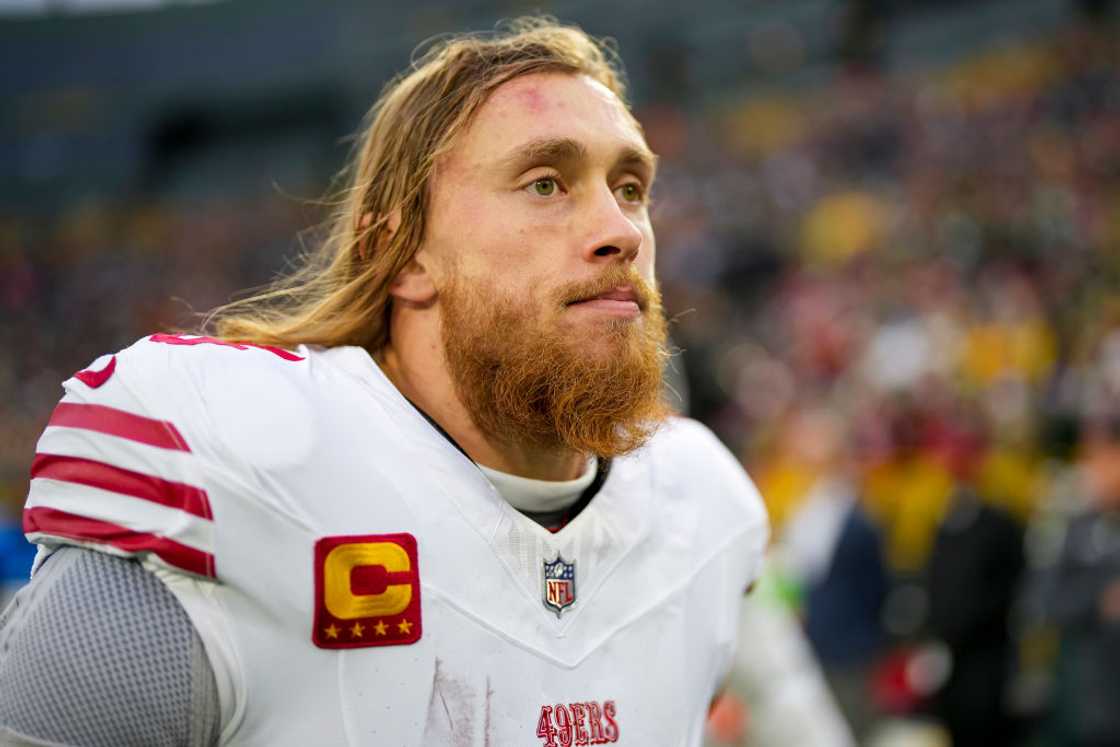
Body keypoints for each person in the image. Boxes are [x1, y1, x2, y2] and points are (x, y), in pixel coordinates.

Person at [0, 17, 769, 746]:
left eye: (631, 187)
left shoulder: (702, 506)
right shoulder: (239, 464)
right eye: (546, 183)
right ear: (403, 256)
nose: (623, 230)